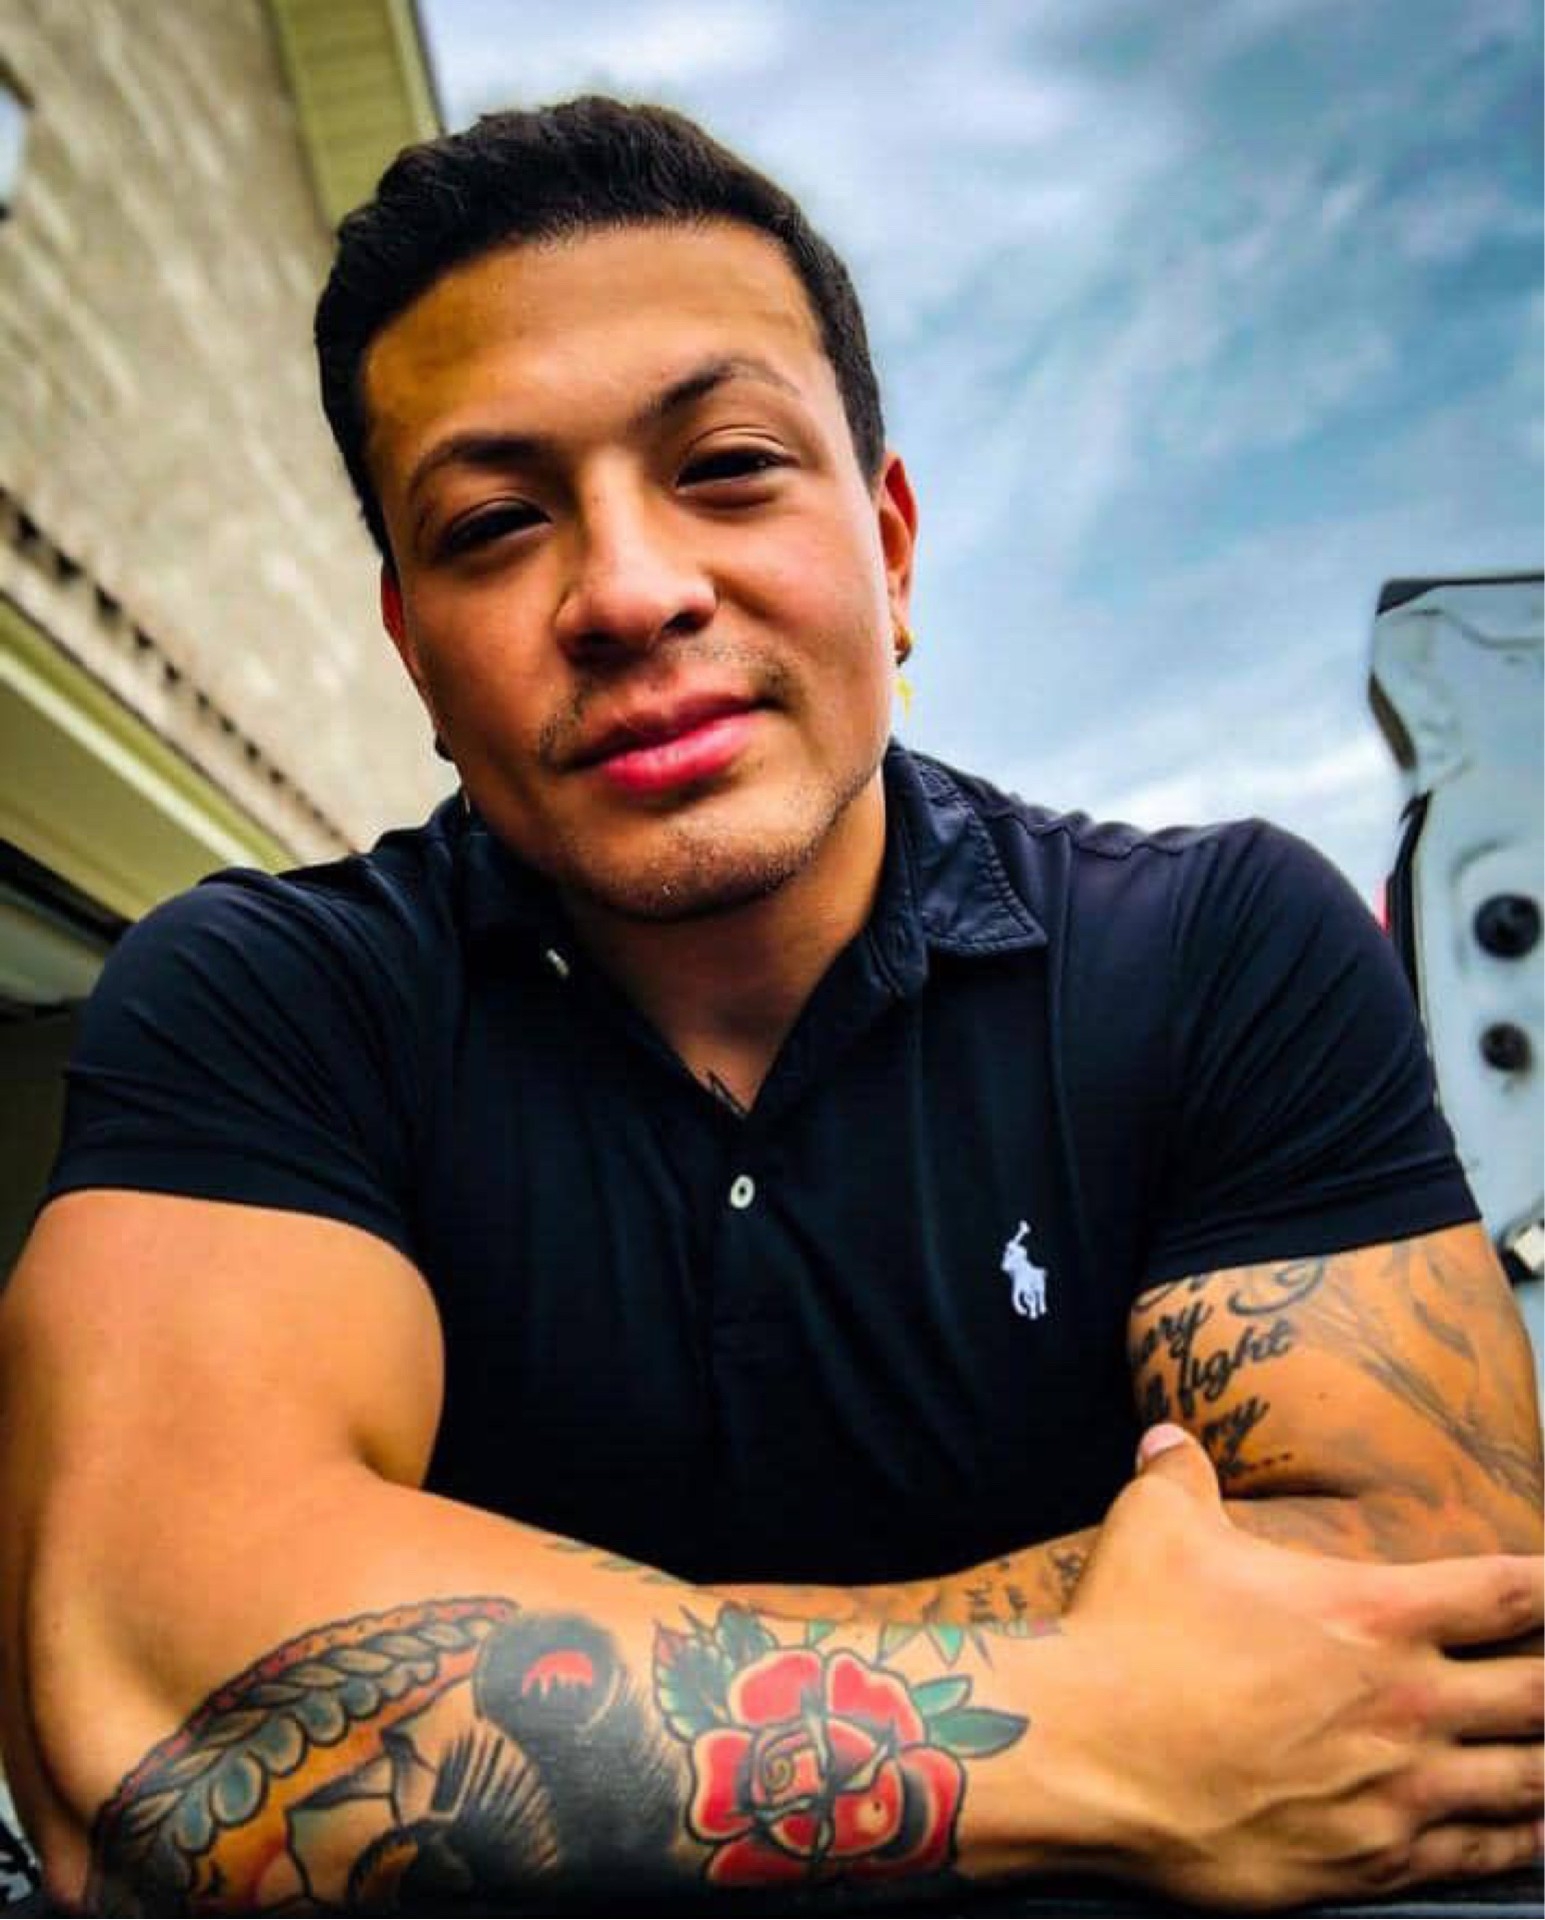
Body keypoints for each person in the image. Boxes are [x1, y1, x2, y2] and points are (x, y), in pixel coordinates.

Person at [0, 97, 1540, 1916]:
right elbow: (153, 1713)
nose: (630, 592)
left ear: (889, 549)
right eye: (494, 522)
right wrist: (1109, 1727)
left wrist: (443, 1639)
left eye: (726, 466)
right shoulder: (270, 998)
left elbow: (1438, 1614)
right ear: (412, 652)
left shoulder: (1214, 947)